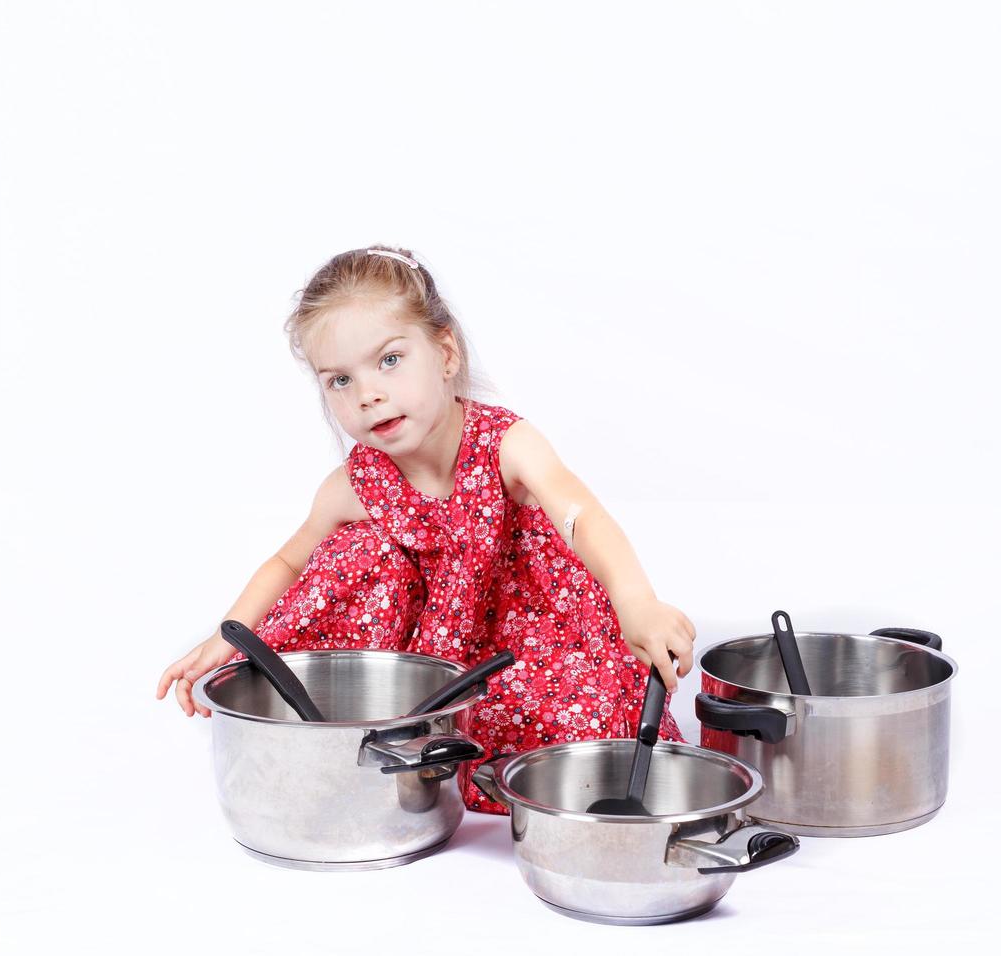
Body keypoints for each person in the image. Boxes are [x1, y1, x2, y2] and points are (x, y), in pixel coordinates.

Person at [156, 245, 696, 814]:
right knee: (353, 552)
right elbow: (290, 562)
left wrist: (637, 601)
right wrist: (229, 633)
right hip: (426, 661)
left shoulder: (504, 446)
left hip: (532, 641)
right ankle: (352, 728)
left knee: (576, 732)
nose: (367, 394)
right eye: (339, 380)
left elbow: (580, 515)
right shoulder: (356, 484)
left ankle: (502, 763)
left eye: (389, 360)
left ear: (444, 352)